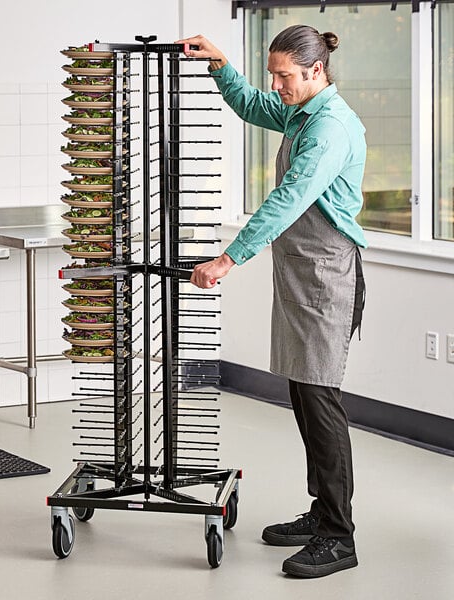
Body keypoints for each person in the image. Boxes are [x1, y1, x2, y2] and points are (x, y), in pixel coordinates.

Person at [176, 26, 367, 578]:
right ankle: (322, 513)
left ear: (316, 71)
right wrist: (219, 65)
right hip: (302, 273)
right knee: (304, 397)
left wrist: (228, 258)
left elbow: (288, 199)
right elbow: (253, 105)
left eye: (285, 75)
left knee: (320, 400)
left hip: (325, 277)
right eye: (273, 73)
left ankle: (339, 535)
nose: (277, 85)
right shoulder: (301, 110)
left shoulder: (328, 127)